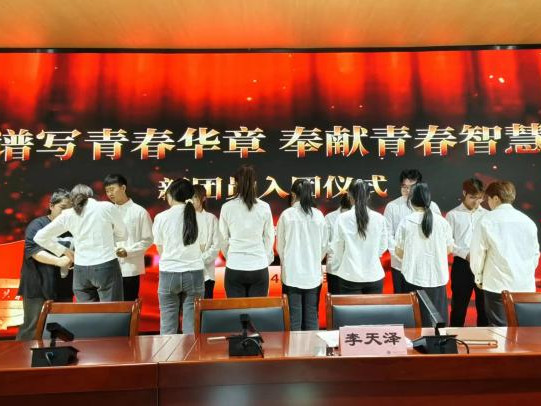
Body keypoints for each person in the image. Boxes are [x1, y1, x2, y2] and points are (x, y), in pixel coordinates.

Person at [34, 184, 127, 302]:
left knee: (85, 311)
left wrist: (63, 250)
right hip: (106, 265)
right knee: (112, 310)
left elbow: (39, 237)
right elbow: (123, 234)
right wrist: (108, 238)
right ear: (91, 195)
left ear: (72, 198)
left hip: (80, 270)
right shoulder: (106, 207)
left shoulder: (68, 214)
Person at [470, 181, 540, 327]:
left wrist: (479, 278)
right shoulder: (528, 222)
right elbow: (535, 254)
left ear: (495, 198)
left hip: (497, 284)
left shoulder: (486, 220)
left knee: (499, 329)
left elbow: (478, 254)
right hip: (524, 286)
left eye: (488, 199)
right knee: (524, 330)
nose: (488, 203)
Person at [16, 189, 73, 340]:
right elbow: (33, 250)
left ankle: (55, 354)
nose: (66, 213)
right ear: (51, 206)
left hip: (64, 287)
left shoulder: (73, 227)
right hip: (38, 286)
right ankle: (23, 355)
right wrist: (59, 261)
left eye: (70, 209)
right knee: (32, 327)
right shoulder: (38, 224)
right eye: (63, 207)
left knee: (61, 329)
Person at [395, 183, 453, 326]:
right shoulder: (442, 222)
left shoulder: (406, 222)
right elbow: (449, 249)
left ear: (411, 200)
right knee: (437, 323)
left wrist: (413, 258)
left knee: (415, 322)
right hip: (437, 279)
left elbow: (399, 252)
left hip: (412, 277)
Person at [153, 179, 204, 334]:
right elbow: (202, 247)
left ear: (170, 195)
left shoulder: (161, 217)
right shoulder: (198, 217)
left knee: (167, 326)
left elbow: (159, 248)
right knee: (192, 327)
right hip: (194, 273)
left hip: (169, 273)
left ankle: (168, 351)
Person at [277, 179, 327, 330]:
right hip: (312, 275)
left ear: (293, 195)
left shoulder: (286, 215)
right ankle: (313, 346)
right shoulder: (318, 215)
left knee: (293, 319)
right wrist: (314, 261)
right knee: (312, 317)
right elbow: (324, 246)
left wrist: (288, 263)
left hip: (292, 275)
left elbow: (280, 247)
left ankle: (294, 346)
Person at [219, 165, 275, 298]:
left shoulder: (227, 207)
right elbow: (269, 237)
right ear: (254, 183)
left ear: (236, 184)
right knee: (257, 309)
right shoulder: (264, 207)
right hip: (259, 267)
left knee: (236, 309)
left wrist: (231, 256)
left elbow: (223, 239)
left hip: (235, 266)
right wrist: (263, 257)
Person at [384, 169, 441, 293]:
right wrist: (401, 255)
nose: (407, 190)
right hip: (400, 265)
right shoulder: (392, 206)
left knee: (424, 301)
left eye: (411, 187)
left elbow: (438, 236)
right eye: (404, 186)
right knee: (402, 300)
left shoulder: (432, 206)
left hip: (426, 265)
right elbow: (388, 235)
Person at [329, 180, 388, 294]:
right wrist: (372, 256)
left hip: (349, 275)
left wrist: (340, 265)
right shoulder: (379, 218)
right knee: (373, 307)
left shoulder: (342, 218)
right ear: (368, 196)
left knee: (350, 307)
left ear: (349, 196)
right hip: (374, 274)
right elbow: (383, 245)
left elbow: (337, 247)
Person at [104, 174, 153, 301]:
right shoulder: (106, 213)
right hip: (108, 267)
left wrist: (128, 251)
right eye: (107, 191)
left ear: (123, 188)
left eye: (112, 189)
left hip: (130, 267)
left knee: (129, 304)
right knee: (109, 305)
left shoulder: (139, 212)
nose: (110, 194)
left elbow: (148, 239)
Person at [446, 178, 488, 327]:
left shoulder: (487, 215)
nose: (476, 202)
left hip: (484, 265)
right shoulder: (453, 215)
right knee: (458, 308)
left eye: (479, 198)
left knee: (484, 309)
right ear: (464, 193)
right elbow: (448, 243)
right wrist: (466, 254)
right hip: (462, 265)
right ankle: (453, 338)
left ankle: (485, 339)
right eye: (472, 197)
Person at [192, 184, 220, 299]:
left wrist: (200, 260)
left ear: (203, 198)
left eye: (195, 197)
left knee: (206, 305)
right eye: (190, 197)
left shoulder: (211, 218)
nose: (192, 200)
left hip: (207, 274)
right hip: (187, 272)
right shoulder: (182, 218)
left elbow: (216, 246)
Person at [324, 194, 352, 294]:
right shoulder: (330, 217)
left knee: (350, 299)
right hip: (335, 266)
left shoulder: (356, 216)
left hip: (352, 267)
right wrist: (336, 249)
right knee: (334, 297)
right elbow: (325, 242)